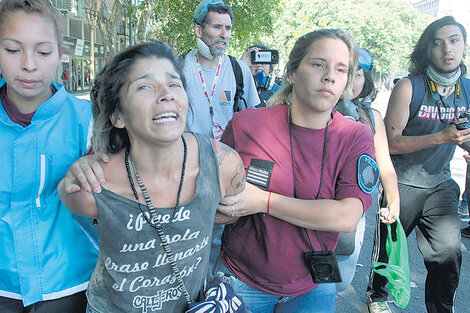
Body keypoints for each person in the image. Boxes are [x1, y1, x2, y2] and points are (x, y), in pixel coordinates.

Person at [58, 41, 246, 313]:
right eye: (144, 86)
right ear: (118, 115)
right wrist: (73, 175)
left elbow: (230, 211)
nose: (166, 95)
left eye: (174, 84)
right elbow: (67, 193)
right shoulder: (96, 185)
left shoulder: (223, 165)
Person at [214, 29, 377, 312]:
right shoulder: (246, 125)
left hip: (313, 284)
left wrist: (262, 201)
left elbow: (347, 215)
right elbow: (213, 201)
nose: (330, 76)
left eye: (341, 69)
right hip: (242, 279)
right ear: (292, 72)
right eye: (318, 64)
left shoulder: (355, 136)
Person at [366, 16, 470, 313]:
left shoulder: (468, 89)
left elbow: (463, 138)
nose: (446, 49)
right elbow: (390, 142)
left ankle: (440, 308)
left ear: (464, 46)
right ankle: (377, 296)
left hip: (441, 183)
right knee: (388, 248)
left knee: (449, 250)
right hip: (401, 183)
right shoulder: (409, 87)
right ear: (428, 49)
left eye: (454, 41)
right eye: (437, 43)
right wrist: (441, 137)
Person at [0, 0, 98, 311]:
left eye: (43, 52)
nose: (29, 64)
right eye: (13, 50)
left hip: (72, 284)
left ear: (60, 55)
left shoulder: (91, 122)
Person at [334, 48, 400, 294]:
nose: (351, 81)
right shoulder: (310, 109)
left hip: (351, 212)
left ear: (366, 80)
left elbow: (384, 164)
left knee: (339, 281)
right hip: (309, 205)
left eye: (358, 74)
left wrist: (392, 198)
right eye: (344, 72)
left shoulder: (372, 117)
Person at [183, 0, 260, 140]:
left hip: (228, 158)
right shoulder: (179, 67)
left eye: (228, 28)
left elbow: (253, 122)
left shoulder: (240, 69)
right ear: (199, 30)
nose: (224, 35)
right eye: (217, 27)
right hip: (189, 157)